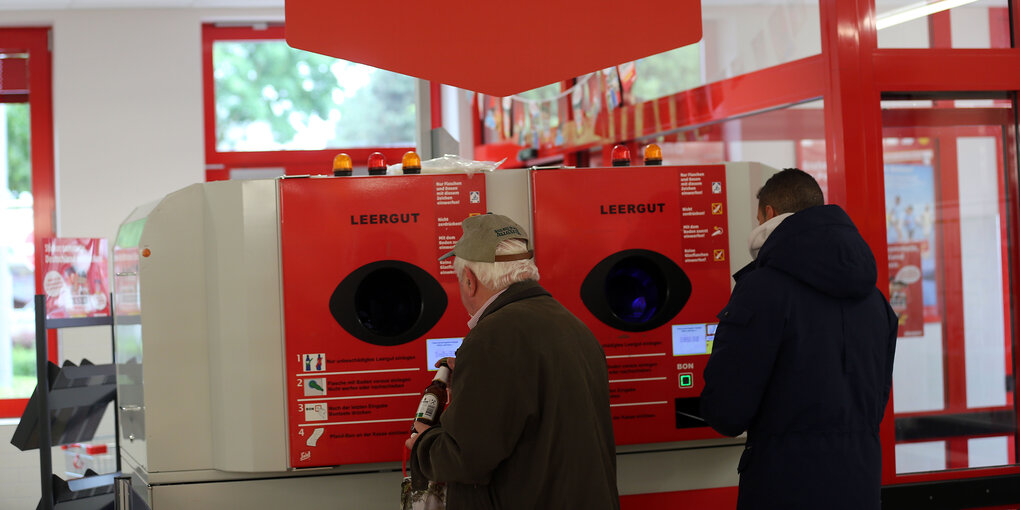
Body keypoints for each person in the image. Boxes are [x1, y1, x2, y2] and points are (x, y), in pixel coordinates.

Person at [700, 168, 898, 510]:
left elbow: (726, 412)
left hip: (782, 488)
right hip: (860, 488)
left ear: (769, 214)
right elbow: (875, 400)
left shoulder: (761, 290)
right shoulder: (875, 299)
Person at [406, 213, 619, 510]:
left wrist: (424, 444)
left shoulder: (491, 338)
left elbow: (466, 459)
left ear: (469, 280)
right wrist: (473, 381)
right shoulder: (571, 325)